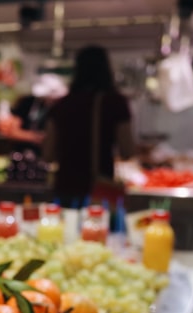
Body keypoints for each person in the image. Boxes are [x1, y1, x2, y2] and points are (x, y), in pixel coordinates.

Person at [42, 45, 135, 205]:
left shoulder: (61, 105)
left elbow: (48, 155)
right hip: (98, 189)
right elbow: (127, 151)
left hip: (65, 188)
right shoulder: (115, 103)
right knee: (97, 229)